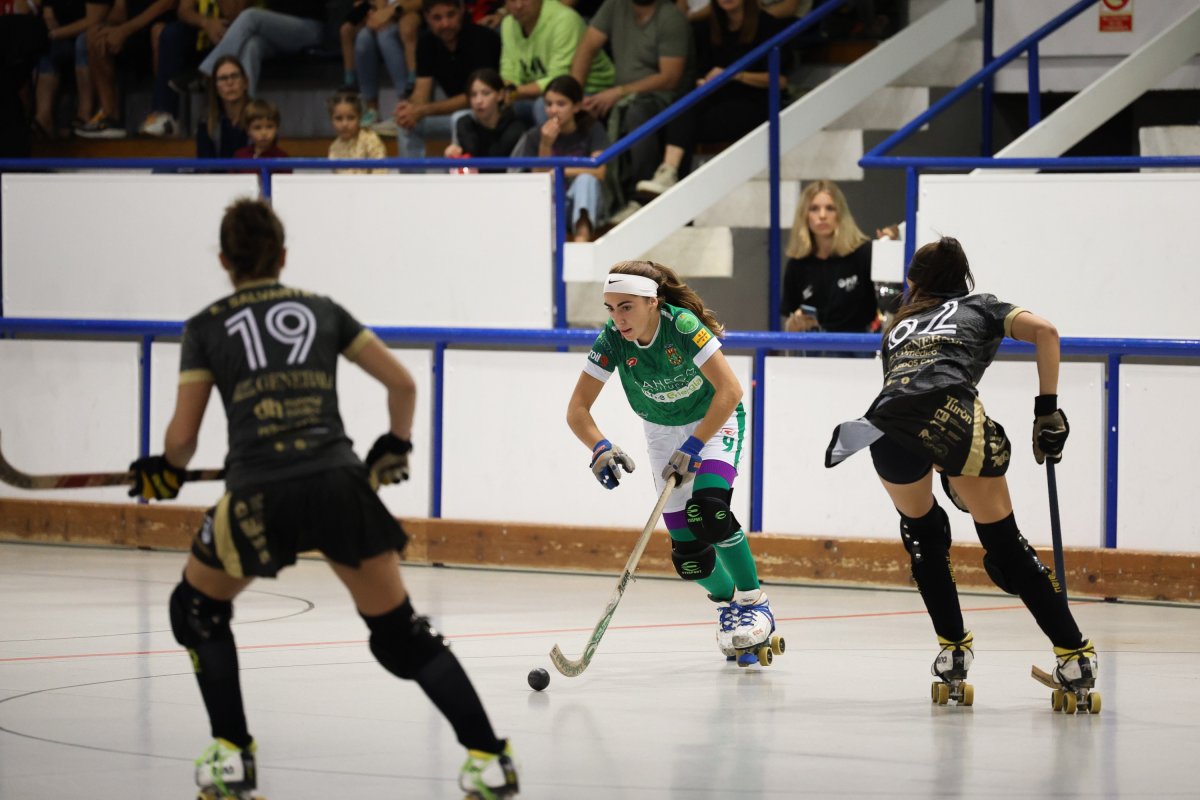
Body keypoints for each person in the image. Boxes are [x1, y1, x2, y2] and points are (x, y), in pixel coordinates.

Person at [128, 198, 520, 800]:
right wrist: (395, 444)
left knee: (197, 611)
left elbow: (181, 440)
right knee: (401, 635)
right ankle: (489, 759)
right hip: (340, 485)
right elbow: (403, 384)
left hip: (259, 494)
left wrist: (164, 471)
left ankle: (231, 756)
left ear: (225, 261)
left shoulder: (205, 326)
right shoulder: (321, 310)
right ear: (282, 256)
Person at [825, 236, 1099, 709]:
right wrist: (1046, 410)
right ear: (964, 280)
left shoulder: (897, 325)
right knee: (1005, 547)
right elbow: (1048, 333)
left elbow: (910, 399)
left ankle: (953, 654)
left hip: (883, 423)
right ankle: (1074, 655)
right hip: (952, 418)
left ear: (913, 283)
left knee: (923, 534)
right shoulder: (983, 306)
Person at [566, 260, 780, 663]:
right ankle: (729, 609)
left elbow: (730, 390)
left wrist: (697, 444)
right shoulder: (612, 340)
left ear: (653, 302)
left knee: (710, 513)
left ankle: (755, 603)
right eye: (610, 308)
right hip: (662, 433)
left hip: (713, 421)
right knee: (690, 559)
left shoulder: (680, 326)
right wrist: (599, 447)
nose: (617, 319)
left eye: (626, 307)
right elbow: (577, 409)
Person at [635, 0, 790, 199]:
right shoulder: (708, 27)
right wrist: (704, 81)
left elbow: (781, 80)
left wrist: (734, 75)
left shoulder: (768, 25)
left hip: (755, 101)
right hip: (717, 98)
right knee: (678, 112)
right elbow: (703, 70)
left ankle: (671, 185)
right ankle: (667, 177)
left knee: (684, 126)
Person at [569, 0, 693, 224]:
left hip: (663, 97)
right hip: (620, 95)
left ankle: (641, 199)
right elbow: (586, 47)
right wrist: (574, 99)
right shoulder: (614, 6)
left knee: (636, 112)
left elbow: (670, 78)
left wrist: (619, 92)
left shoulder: (671, 17)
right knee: (580, 116)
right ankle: (603, 206)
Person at [780, 179, 897, 336]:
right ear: (804, 215)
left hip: (860, 348)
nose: (822, 215)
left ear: (840, 213)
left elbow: (893, 299)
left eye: (830, 208)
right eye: (814, 209)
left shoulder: (863, 253)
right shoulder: (797, 264)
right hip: (813, 350)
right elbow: (789, 320)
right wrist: (794, 324)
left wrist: (894, 243)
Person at [393, 0, 500, 157]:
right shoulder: (426, 43)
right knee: (406, 125)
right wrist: (409, 109)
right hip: (455, 116)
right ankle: (413, 181)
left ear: (462, 10)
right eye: (437, 18)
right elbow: (421, 92)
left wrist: (423, 110)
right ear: (427, 17)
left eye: (451, 15)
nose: (445, 24)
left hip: (488, 115)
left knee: (459, 119)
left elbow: (476, 97)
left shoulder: (483, 39)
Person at [513, 74, 607, 242]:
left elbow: (599, 170)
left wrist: (561, 171)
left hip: (585, 202)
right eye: (549, 104)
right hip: (552, 204)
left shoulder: (592, 128)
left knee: (586, 179)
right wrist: (545, 144)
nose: (553, 110)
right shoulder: (536, 135)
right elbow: (538, 180)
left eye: (561, 104)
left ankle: (581, 239)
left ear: (576, 106)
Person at [498, 0, 613, 127]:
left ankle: (558, 147)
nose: (518, 5)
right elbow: (508, 73)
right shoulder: (508, 24)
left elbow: (560, 79)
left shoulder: (564, 19)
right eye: (512, 0)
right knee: (495, 107)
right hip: (537, 91)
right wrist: (508, 92)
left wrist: (517, 91)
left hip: (590, 89)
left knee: (545, 106)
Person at [74, 0, 177, 139]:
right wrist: (109, 28)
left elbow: (167, 4)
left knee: (159, 32)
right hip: (132, 30)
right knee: (95, 36)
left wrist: (124, 30)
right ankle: (109, 117)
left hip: (164, 26)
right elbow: (120, 8)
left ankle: (161, 114)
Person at [197, 0, 325, 97]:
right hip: (276, 31)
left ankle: (212, 72)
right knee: (253, 46)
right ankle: (245, 109)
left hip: (309, 27)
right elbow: (233, 13)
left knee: (251, 16)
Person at [33, 0, 94, 139]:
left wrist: (57, 34)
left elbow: (94, 19)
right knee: (45, 46)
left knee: (83, 42)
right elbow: (49, 16)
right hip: (61, 34)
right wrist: (53, 34)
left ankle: (85, 114)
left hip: (86, 33)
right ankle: (43, 116)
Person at [445, 67, 527, 168]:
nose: (478, 101)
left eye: (486, 93)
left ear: (500, 95)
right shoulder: (464, 124)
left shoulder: (516, 129)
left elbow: (514, 171)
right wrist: (452, 157)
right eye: (473, 95)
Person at [196, 54, 249, 158]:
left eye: (235, 76)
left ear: (245, 82)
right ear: (215, 87)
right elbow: (204, 166)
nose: (230, 82)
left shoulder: (260, 115)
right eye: (223, 78)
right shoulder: (206, 121)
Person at [328, 89, 389, 173]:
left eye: (351, 118)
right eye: (339, 119)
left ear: (359, 118)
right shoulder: (334, 148)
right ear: (331, 120)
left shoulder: (371, 141)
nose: (344, 124)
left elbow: (381, 174)